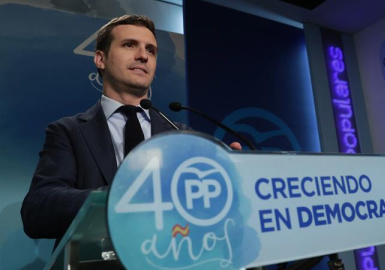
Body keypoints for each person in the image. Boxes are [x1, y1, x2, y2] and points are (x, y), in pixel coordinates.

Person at [20, 14, 241, 247]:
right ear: (100, 59)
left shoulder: (183, 136)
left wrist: (227, 179)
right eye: (129, 45)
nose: (143, 56)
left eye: (151, 50)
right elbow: (37, 210)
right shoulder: (68, 131)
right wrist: (124, 196)